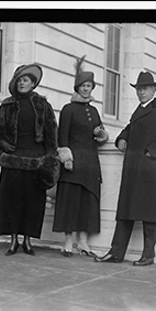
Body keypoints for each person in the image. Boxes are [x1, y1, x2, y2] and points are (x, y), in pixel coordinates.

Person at [94, 71, 156, 266]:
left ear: (153, 90)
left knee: (150, 214)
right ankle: (116, 253)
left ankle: (148, 255)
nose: (141, 92)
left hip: (150, 169)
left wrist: (151, 152)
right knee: (125, 211)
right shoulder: (139, 110)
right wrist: (122, 138)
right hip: (133, 169)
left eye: (145, 89)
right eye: (138, 89)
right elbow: (130, 128)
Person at [0, 64, 58, 256]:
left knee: (33, 203)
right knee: (11, 201)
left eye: (25, 80)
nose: (22, 83)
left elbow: (52, 133)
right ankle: (13, 241)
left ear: (33, 83)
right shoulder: (7, 105)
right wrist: (2, 145)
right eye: (19, 80)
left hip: (36, 161)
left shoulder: (43, 105)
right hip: (13, 161)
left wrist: (51, 158)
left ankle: (27, 240)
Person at [53, 56, 109, 258]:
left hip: (91, 164)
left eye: (89, 86)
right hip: (73, 164)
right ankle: (68, 241)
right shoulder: (68, 109)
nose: (86, 89)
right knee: (70, 202)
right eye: (83, 86)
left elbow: (100, 133)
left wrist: (101, 135)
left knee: (88, 202)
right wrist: (66, 157)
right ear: (77, 87)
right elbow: (62, 136)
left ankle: (83, 242)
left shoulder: (94, 111)